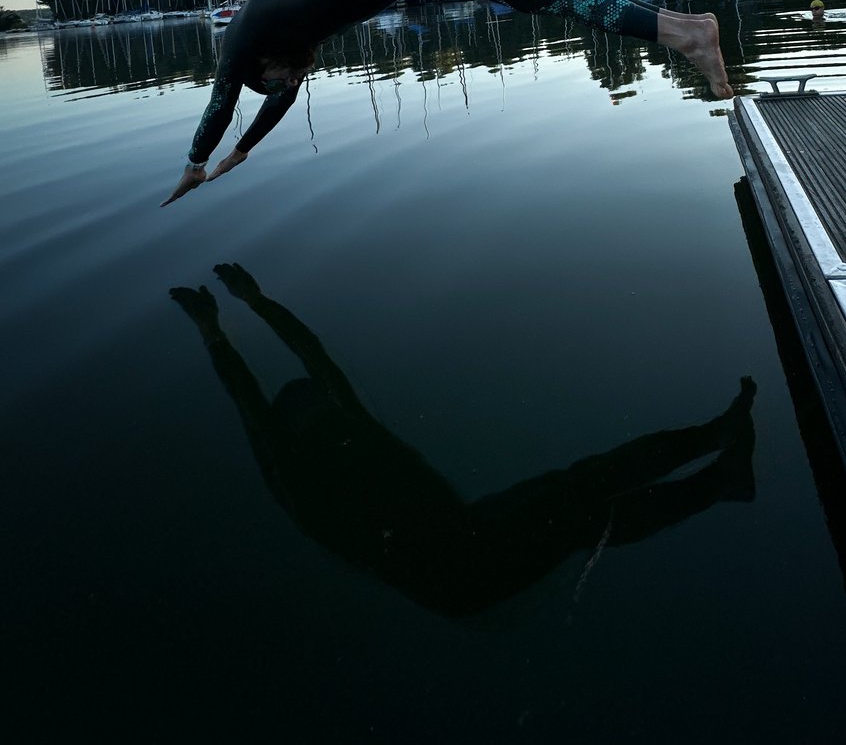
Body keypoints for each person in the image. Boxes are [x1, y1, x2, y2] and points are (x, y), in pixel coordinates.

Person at [171, 263, 757, 617]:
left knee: (582, 486)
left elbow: (312, 358)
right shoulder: (295, 471)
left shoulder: (338, 428)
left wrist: (252, 305)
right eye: (326, 411)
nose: (337, 407)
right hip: (455, 576)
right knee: (583, 510)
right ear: (308, 427)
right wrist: (215, 329)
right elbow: (254, 401)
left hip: (460, 535)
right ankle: (716, 475)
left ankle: (713, 447)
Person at [163, 0, 732, 205]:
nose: (290, 83)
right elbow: (278, 100)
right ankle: (686, 25)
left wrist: (195, 162)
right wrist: (241, 153)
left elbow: (221, 99)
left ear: (262, 64)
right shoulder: (295, 36)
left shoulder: (245, 30)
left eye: (277, 80)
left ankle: (683, 35)